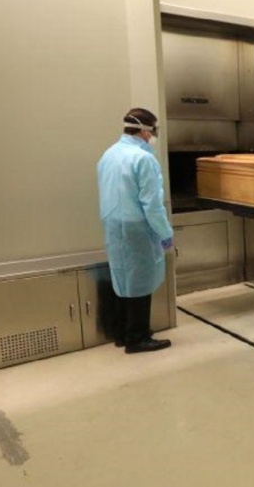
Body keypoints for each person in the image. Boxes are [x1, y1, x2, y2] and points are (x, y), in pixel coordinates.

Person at [97, 108, 174, 354]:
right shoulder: (143, 159)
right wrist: (166, 234)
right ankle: (137, 338)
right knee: (140, 282)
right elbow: (152, 205)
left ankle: (122, 333)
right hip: (137, 229)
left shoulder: (109, 154)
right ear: (145, 131)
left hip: (113, 226)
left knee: (123, 280)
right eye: (153, 131)